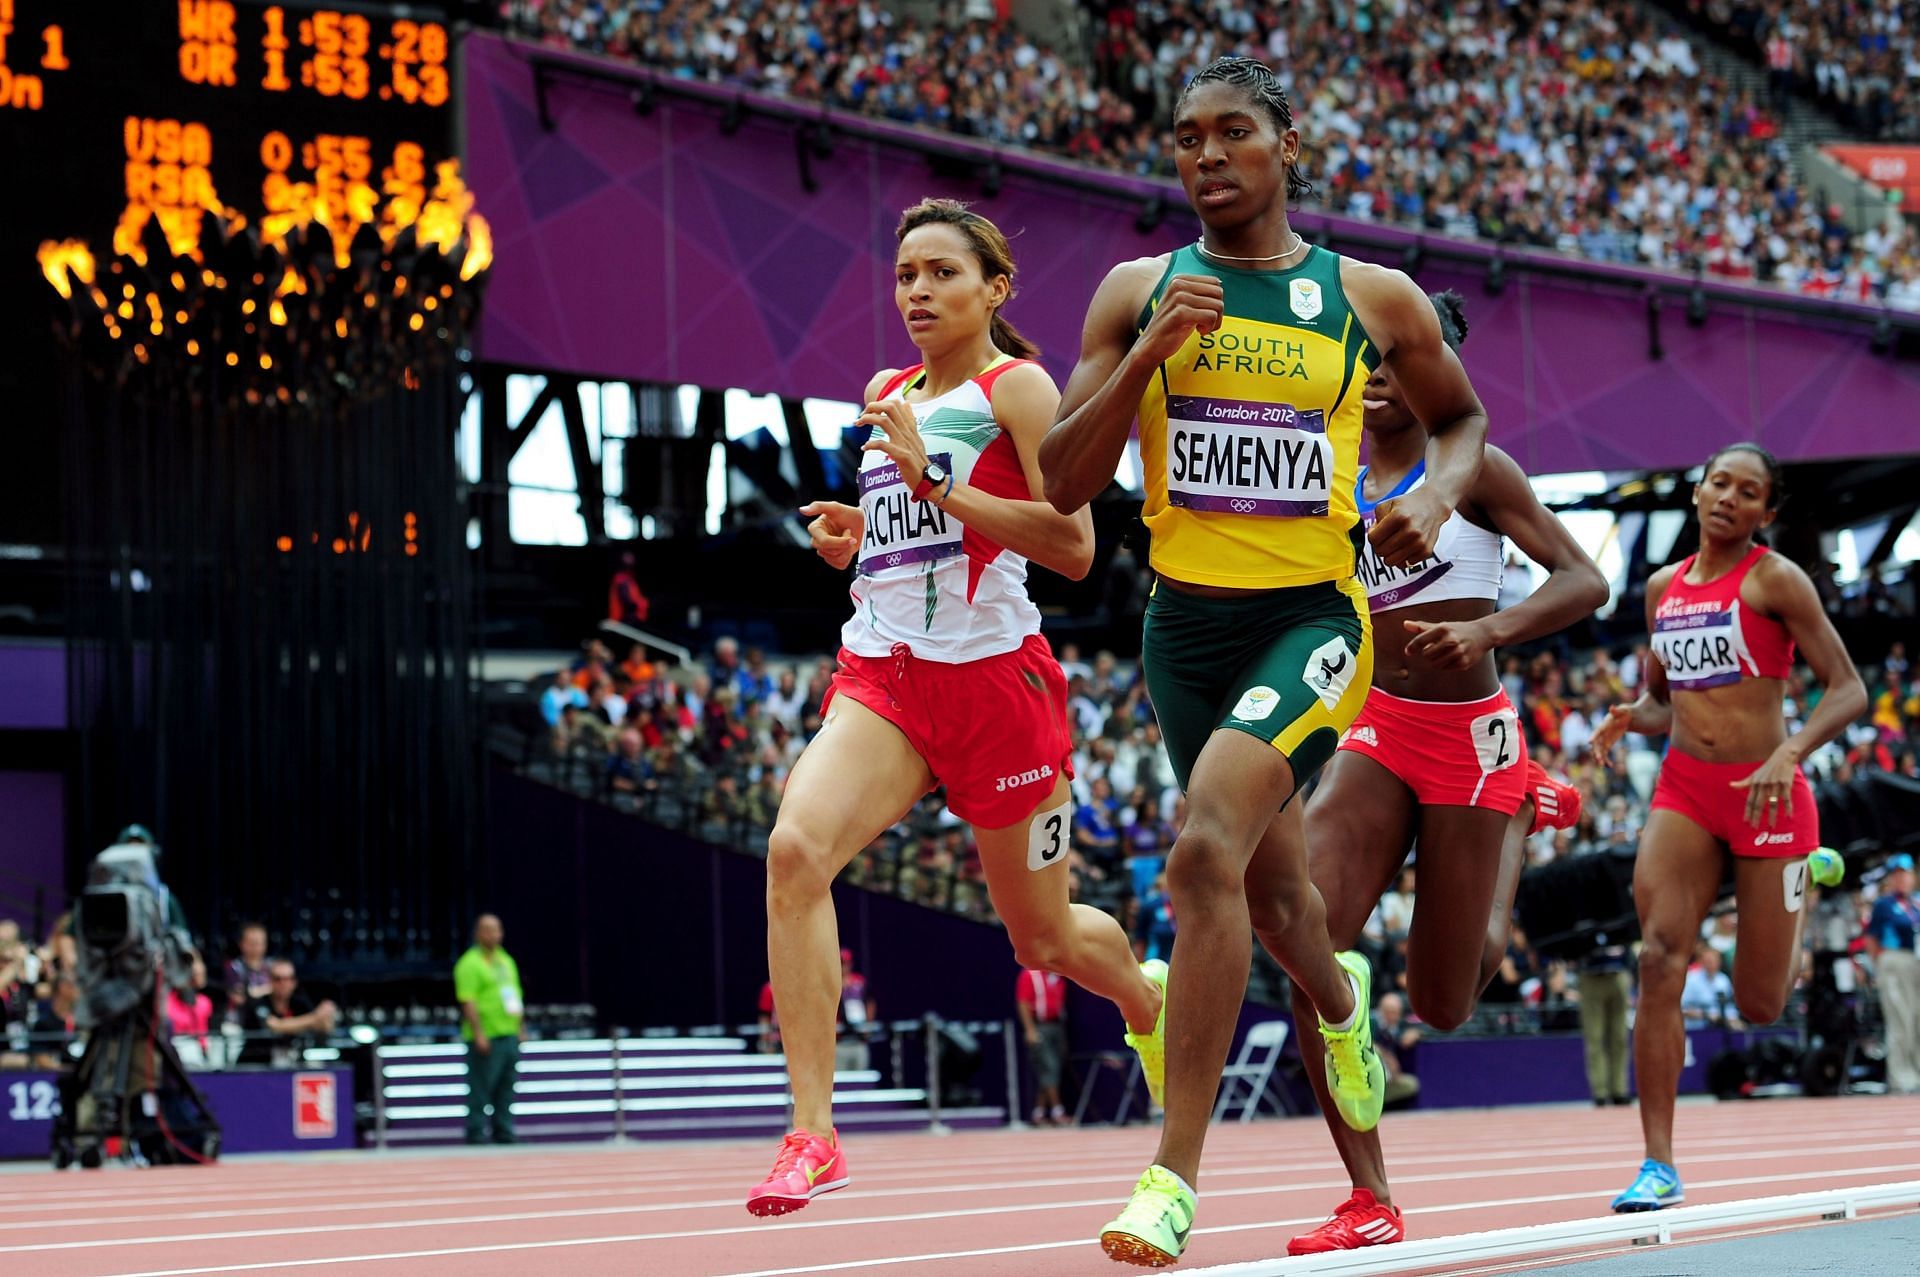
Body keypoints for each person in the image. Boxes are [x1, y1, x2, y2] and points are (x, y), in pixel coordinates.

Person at [1040, 56, 1489, 1267]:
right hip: (1182, 630)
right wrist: (1143, 362)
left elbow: (1461, 421)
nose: (1207, 155)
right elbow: (1062, 487)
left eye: (1234, 132)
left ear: (1286, 146)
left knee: (1201, 855)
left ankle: (1172, 1177)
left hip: (1313, 622)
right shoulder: (1138, 291)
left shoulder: (1370, 296)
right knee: (1283, 901)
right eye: (1187, 137)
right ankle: (1342, 1005)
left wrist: (1438, 500)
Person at [747, 197, 1165, 1218]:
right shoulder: (885, 388)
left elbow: (1073, 550)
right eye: (905, 277)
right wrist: (862, 528)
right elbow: (912, 530)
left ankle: (1154, 1003)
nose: (919, 292)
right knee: (795, 852)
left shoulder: (1019, 388)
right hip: (885, 677)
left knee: (1046, 941)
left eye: (941, 273)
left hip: (996, 687)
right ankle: (813, 1132)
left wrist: (935, 483)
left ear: (993, 288)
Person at [1285, 290, 1605, 1254]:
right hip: (1378, 726)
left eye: (1398, 357)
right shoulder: (1325, 466)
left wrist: (1487, 629)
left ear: (1440, 371)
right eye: (1365, 354)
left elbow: (1585, 579)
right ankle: (1369, 1194)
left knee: (1443, 1001)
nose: (1378, 372)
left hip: (1472, 735)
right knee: (1307, 944)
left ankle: (1516, 816)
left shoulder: (1475, 471)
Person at [1592, 442, 1866, 1212]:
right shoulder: (1659, 589)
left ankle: (1802, 874)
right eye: (1719, 483)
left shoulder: (1776, 578)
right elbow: (1664, 701)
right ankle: (1658, 1162)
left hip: (1769, 799)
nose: (1729, 499)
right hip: (1686, 791)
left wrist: (1791, 750)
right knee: (1657, 958)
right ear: (1698, 491)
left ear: (1765, 513)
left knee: (1759, 1005)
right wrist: (1629, 718)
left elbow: (1848, 689)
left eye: (1748, 493)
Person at [453, 914, 526, 1145]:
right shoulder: (469, 963)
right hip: (486, 1036)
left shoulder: (505, 961)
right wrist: (479, 1034)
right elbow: (468, 1001)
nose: (495, 935)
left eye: (498, 930)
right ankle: (475, 1132)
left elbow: (514, 995)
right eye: (489, 930)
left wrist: (520, 1026)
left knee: (506, 1088)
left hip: (508, 1033)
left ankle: (503, 1131)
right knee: (481, 1088)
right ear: (478, 933)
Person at [1865, 853, 1920, 1093]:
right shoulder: (1884, 905)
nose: (1901, 879)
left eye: (1905, 874)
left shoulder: (1917, 902)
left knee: (1917, 1019)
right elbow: (1871, 939)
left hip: (1915, 962)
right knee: (1900, 1019)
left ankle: (1917, 1070)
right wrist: (1878, 967)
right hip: (1893, 962)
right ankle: (1902, 1077)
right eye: (1896, 875)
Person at [239, 960, 338, 1066]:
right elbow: (275, 1025)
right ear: (270, 981)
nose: (283, 984)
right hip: (256, 1065)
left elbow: (324, 1027)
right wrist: (314, 1018)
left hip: (293, 1063)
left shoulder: (299, 1002)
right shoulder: (258, 1003)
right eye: (278, 979)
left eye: (287, 979)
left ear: (294, 982)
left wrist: (327, 1015)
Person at [1015, 965, 1069, 1125]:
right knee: (1048, 1066)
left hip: (1056, 1026)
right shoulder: (1029, 975)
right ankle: (1058, 1110)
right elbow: (1023, 1003)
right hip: (1039, 1026)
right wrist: (1030, 1029)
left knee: (1053, 1069)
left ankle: (1038, 1112)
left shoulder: (1058, 974)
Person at [223, 921, 274, 1027]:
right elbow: (239, 998)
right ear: (241, 944)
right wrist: (268, 989)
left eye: (260, 943)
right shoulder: (234, 967)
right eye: (252, 943)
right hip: (239, 1020)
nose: (256, 947)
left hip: (269, 1016)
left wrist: (254, 992)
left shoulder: (272, 966)